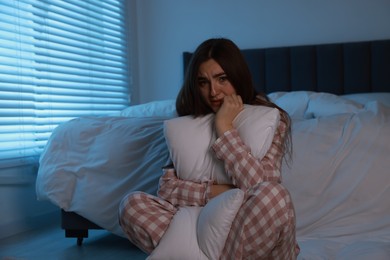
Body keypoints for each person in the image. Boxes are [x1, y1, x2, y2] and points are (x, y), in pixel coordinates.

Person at [119, 38, 300, 259]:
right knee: (131, 204)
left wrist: (224, 128)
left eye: (222, 79)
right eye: (203, 82)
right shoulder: (186, 125)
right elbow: (167, 190)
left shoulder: (272, 119)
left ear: (237, 76)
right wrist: (229, 190)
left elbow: (261, 185)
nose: (213, 91)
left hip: (247, 228)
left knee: (274, 197)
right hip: (201, 226)